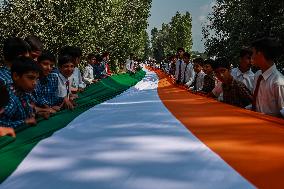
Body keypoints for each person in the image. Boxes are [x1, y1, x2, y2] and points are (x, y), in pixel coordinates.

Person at [0, 57, 39, 128]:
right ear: (16, 76)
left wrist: (39, 114)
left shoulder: (24, 92)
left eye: (36, 79)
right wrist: (24, 122)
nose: (35, 83)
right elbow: (1, 124)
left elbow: (28, 110)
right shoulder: (9, 98)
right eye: (30, 78)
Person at [250, 37, 284, 117]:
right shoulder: (258, 75)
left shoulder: (279, 82)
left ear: (260, 54)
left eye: (253, 53)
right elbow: (258, 105)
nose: (252, 56)